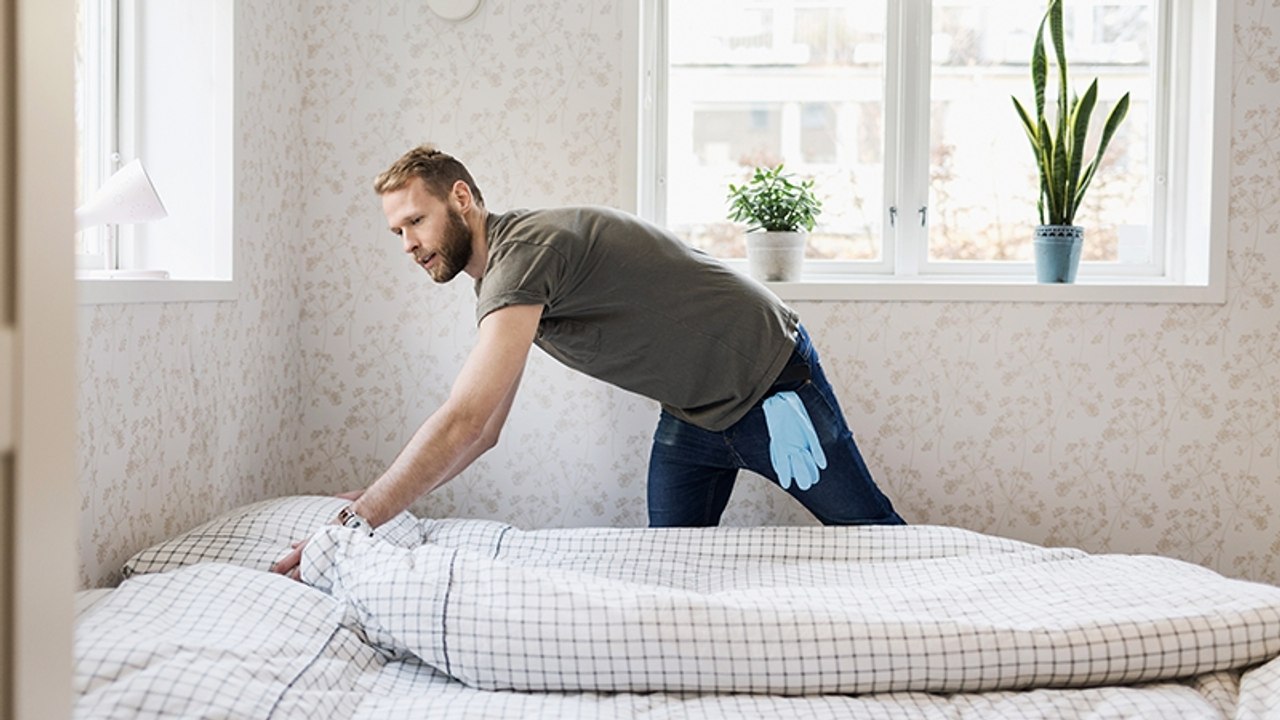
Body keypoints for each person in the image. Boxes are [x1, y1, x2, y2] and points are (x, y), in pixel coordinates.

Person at [272, 144, 903, 580]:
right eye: (397, 232)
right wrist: (392, 502)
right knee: (674, 571)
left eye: (417, 221)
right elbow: (486, 430)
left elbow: (464, 418)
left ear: (460, 198)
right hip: (694, 416)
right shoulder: (500, 282)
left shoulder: (524, 255)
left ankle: (974, 612)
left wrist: (362, 517)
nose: (409, 244)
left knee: (880, 540)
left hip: (771, 386)